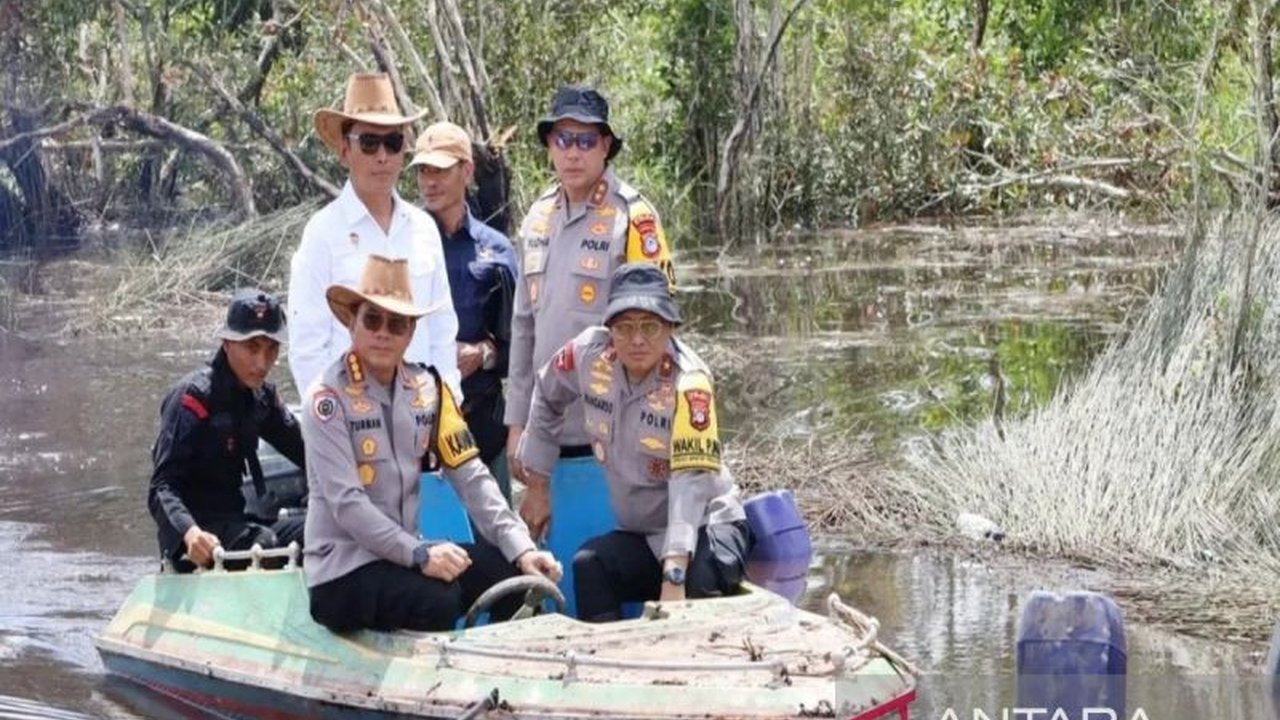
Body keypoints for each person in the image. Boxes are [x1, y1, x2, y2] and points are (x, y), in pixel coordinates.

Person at [302, 254, 560, 633]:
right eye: (372, 319)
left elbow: (472, 476)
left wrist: (522, 548)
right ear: (351, 323)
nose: (383, 333)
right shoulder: (326, 400)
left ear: (410, 333)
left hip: (403, 556)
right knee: (438, 598)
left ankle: (501, 675)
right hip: (342, 571)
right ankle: (430, 688)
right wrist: (419, 553)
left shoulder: (429, 390)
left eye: (397, 324)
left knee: (513, 579)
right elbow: (347, 504)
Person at [519, 263, 751, 622]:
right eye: (625, 327)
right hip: (643, 534)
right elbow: (546, 394)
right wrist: (538, 483)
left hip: (707, 526)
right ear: (608, 328)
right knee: (589, 564)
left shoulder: (690, 382)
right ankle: (607, 665)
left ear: (670, 327)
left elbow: (689, 487)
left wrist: (673, 574)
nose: (637, 340)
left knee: (699, 583)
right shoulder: (588, 355)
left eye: (650, 326)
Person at [506, 84, 676, 532]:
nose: (573, 153)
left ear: (605, 147)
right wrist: (516, 424)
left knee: (615, 562)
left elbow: (657, 335)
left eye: (585, 141)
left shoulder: (634, 219)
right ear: (549, 147)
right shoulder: (537, 217)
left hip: (616, 438)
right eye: (563, 139)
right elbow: (524, 328)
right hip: (548, 434)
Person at [288, 72, 461, 400]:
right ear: (344, 152)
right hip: (348, 420)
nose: (382, 156)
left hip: (421, 418)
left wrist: (446, 413)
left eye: (392, 143)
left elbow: (442, 332)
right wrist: (331, 426)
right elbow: (307, 348)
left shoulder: (424, 229)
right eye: (369, 143)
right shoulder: (322, 233)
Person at [148, 289, 305, 571]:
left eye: (271, 349)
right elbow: (162, 487)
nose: (262, 363)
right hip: (195, 540)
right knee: (265, 544)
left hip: (237, 522)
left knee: (320, 531)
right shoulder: (193, 398)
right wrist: (190, 532)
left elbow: (308, 453)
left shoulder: (261, 398)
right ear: (228, 343)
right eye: (252, 348)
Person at [410, 121, 518, 502]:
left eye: (440, 169)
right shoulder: (402, 244)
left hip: (483, 422)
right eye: (423, 170)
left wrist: (484, 355)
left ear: (467, 172)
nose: (430, 181)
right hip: (414, 426)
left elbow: (520, 350)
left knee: (499, 544)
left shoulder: (497, 251)